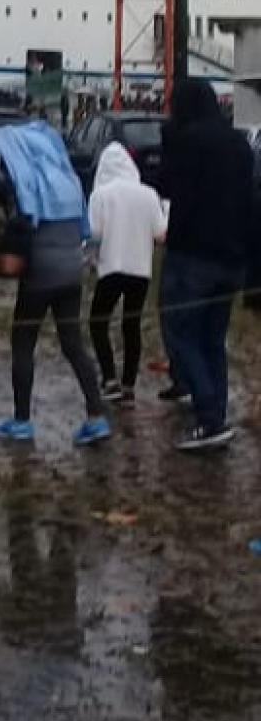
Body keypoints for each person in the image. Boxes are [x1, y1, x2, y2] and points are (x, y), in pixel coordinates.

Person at [0, 119, 110, 447]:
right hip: (72, 271)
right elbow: (85, 228)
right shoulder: (68, 179)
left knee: (23, 341)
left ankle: (22, 419)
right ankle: (96, 416)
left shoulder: (27, 181)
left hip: (39, 274)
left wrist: (6, 156)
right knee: (73, 343)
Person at [157, 78, 253, 450]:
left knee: (180, 335)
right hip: (232, 259)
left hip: (192, 255)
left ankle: (210, 417)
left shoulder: (187, 142)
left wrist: (169, 142)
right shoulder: (240, 144)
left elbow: (165, 185)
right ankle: (215, 414)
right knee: (213, 339)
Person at [88, 141, 168, 403]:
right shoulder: (148, 194)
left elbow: (94, 235)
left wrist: (90, 261)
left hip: (111, 267)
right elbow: (159, 234)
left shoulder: (101, 195)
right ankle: (128, 383)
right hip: (140, 269)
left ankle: (109, 377)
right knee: (131, 325)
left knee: (98, 321)